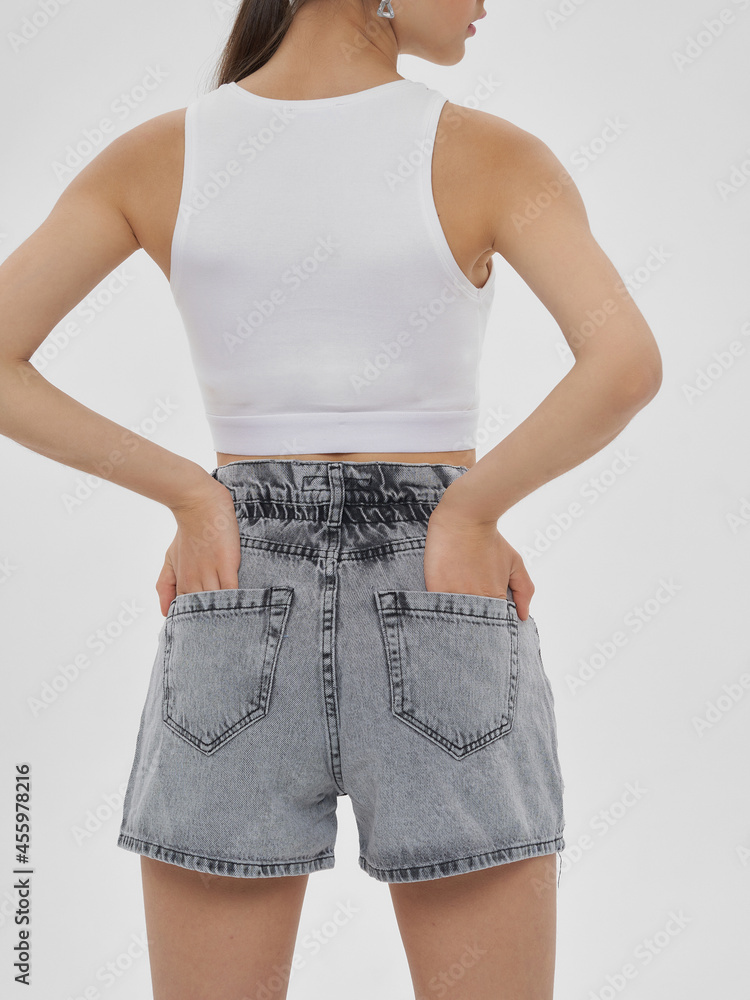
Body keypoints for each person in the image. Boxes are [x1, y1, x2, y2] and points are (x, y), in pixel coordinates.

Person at [0, 0, 662, 997]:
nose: (487, 2)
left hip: (235, 582)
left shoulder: (156, 155)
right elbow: (625, 362)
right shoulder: (494, 156)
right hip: (443, 591)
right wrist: (474, 510)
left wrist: (189, 492)